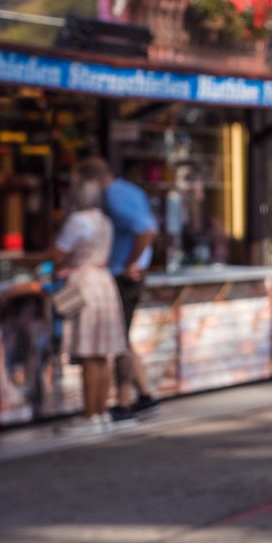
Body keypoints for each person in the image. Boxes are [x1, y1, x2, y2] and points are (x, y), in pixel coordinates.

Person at [77, 158, 163, 422]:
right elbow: (150, 226)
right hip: (127, 275)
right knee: (123, 337)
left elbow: (145, 230)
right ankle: (145, 395)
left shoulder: (114, 197)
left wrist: (131, 263)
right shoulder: (130, 190)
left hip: (122, 277)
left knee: (119, 341)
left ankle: (124, 402)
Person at [53, 174, 126, 432]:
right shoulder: (105, 221)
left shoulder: (77, 221)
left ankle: (89, 414)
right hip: (103, 282)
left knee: (87, 353)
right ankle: (101, 412)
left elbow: (58, 253)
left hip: (83, 283)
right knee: (101, 353)